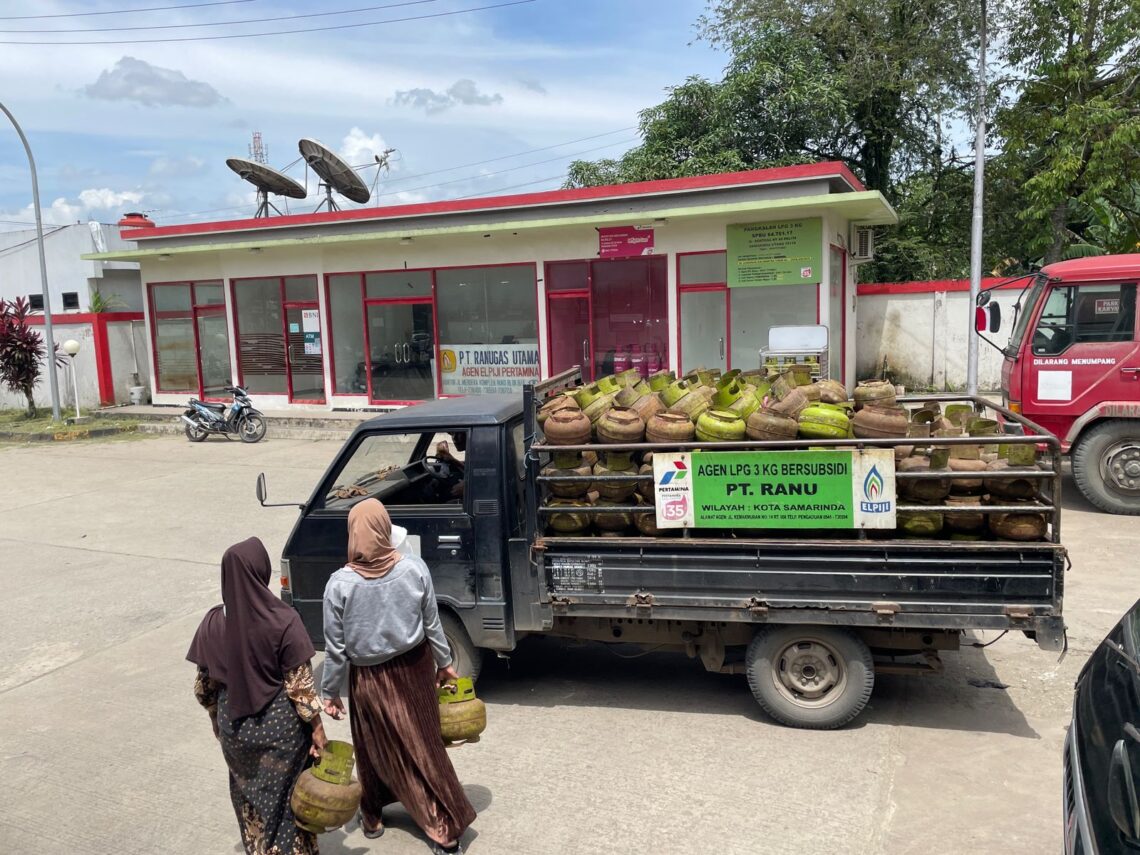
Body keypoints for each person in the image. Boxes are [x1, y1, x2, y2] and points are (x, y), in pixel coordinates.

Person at [321, 499, 476, 854]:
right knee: (422, 743)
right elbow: (432, 624)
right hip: (415, 667)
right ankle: (436, 821)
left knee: (374, 744)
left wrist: (329, 693)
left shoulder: (339, 585)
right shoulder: (413, 568)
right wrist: (444, 662)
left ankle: (387, 818)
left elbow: (335, 649)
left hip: (369, 679)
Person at [187, 537, 327, 855]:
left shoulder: (212, 622)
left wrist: (216, 719)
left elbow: (204, 687)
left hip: (235, 730)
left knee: (250, 800)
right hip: (281, 733)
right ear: (261, 571)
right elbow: (301, 688)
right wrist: (318, 729)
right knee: (287, 803)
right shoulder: (283, 620)